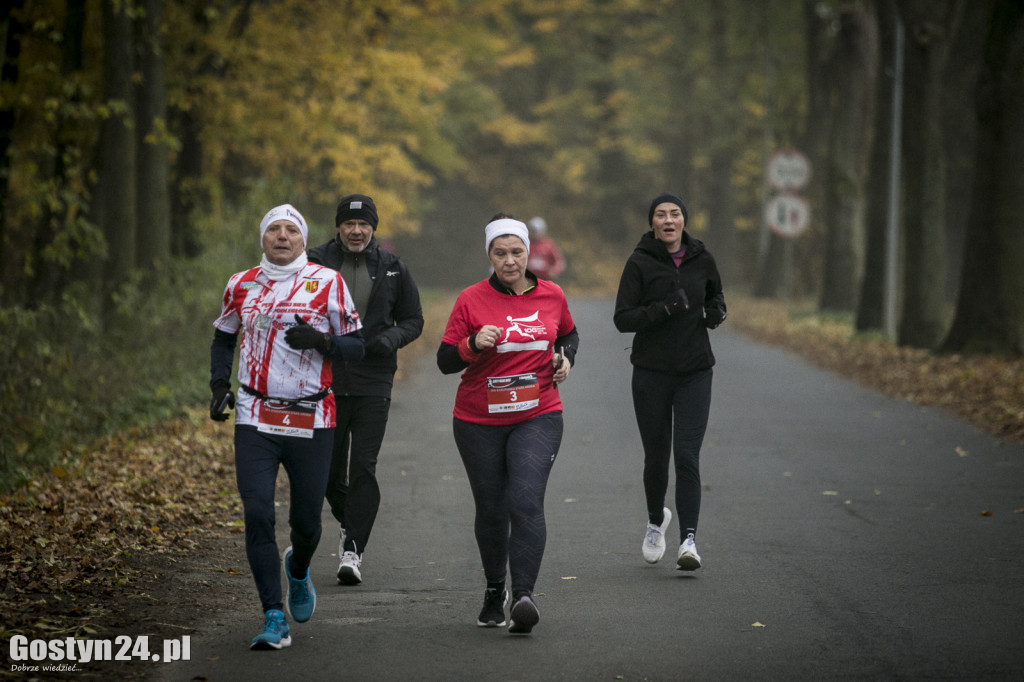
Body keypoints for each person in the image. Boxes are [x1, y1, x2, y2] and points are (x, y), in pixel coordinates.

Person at [209, 203, 365, 650]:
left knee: (307, 524)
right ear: (263, 238)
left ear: (303, 239)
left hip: (312, 416)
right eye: (273, 229)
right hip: (255, 415)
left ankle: (298, 568)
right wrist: (219, 385)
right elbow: (223, 336)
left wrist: (322, 341)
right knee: (258, 512)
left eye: (290, 230)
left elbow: (357, 346)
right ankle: (273, 616)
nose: (282, 236)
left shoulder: (327, 282)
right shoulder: (241, 284)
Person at [436, 214, 579, 635]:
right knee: (493, 508)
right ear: (489, 255)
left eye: (517, 251)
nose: (510, 261)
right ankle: (494, 587)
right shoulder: (471, 300)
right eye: (501, 253)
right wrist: (470, 345)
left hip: (539, 413)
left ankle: (524, 596)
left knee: (526, 499)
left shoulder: (552, 295)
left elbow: (569, 335)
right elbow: (446, 361)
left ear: (529, 251)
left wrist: (565, 358)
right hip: (478, 419)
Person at [307, 193, 424, 585]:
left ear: (374, 227)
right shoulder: (314, 262)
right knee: (325, 471)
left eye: (364, 225)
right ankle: (353, 520)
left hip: (374, 377)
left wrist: (390, 339)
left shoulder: (392, 267)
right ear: (338, 226)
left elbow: (413, 320)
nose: (356, 231)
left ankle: (353, 550)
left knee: (364, 466)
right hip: (325, 376)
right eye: (349, 224)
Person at [612, 193, 726, 572]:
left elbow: (715, 296)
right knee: (657, 457)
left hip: (695, 371)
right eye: (660, 215)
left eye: (675, 214)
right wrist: (664, 309)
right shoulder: (639, 263)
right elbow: (623, 318)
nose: (668, 220)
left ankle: (689, 540)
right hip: (651, 373)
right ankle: (654, 522)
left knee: (687, 456)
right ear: (653, 224)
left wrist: (716, 312)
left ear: (683, 221)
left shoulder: (702, 259)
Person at [526, 216, 566, 281]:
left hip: (545, 279)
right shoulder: (526, 244)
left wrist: (554, 271)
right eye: (533, 231)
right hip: (528, 279)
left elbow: (559, 261)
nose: (535, 234)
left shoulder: (549, 245)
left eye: (537, 231)